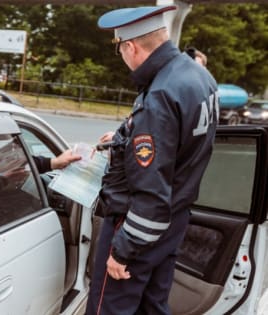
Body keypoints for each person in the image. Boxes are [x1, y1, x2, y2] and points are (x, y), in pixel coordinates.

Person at [86, 5, 219, 315]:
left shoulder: (159, 96)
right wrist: (125, 137)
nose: (121, 57)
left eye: (119, 49)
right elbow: (178, 144)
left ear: (130, 46)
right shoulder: (198, 75)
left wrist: (123, 250)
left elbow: (151, 193)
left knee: (110, 308)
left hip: (137, 227)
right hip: (173, 221)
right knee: (153, 306)